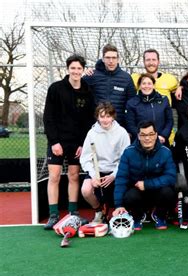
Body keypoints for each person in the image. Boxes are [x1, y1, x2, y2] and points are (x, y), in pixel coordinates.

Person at [43, 54, 95, 229]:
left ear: (83, 70)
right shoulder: (56, 88)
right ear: (67, 69)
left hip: (76, 143)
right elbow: (48, 117)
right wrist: (54, 141)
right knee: (55, 177)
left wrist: (82, 143)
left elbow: (89, 120)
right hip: (57, 142)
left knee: (74, 176)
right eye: (73, 68)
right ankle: (53, 214)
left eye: (79, 68)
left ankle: (73, 212)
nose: (76, 71)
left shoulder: (87, 90)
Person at [112, 120, 177, 230]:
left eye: (151, 134)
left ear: (156, 135)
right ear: (138, 136)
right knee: (130, 196)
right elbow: (121, 179)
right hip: (137, 192)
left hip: (158, 191)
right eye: (143, 135)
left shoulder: (165, 152)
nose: (147, 138)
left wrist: (147, 184)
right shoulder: (128, 152)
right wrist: (119, 205)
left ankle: (159, 215)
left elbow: (171, 177)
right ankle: (138, 217)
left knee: (168, 192)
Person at [80, 102, 130, 223]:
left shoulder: (122, 132)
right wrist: (93, 175)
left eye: (108, 116)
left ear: (113, 117)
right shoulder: (92, 133)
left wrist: (114, 175)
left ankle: (120, 212)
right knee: (85, 190)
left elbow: (126, 158)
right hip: (98, 170)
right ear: (97, 117)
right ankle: (99, 211)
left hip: (116, 170)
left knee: (127, 193)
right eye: (102, 116)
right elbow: (85, 158)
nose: (105, 120)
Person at [83, 44, 136, 127]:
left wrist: (128, 129)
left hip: (118, 126)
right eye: (108, 58)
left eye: (114, 58)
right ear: (103, 59)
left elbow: (132, 105)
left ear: (118, 59)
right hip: (96, 126)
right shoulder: (92, 76)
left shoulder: (126, 78)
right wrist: (83, 74)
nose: (111, 61)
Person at [126, 73, 173, 144]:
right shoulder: (132, 103)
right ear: (139, 86)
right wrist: (143, 137)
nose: (146, 86)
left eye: (149, 83)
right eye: (143, 83)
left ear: (153, 85)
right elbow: (130, 125)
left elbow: (169, 121)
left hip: (161, 141)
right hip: (140, 143)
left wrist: (163, 135)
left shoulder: (164, 100)